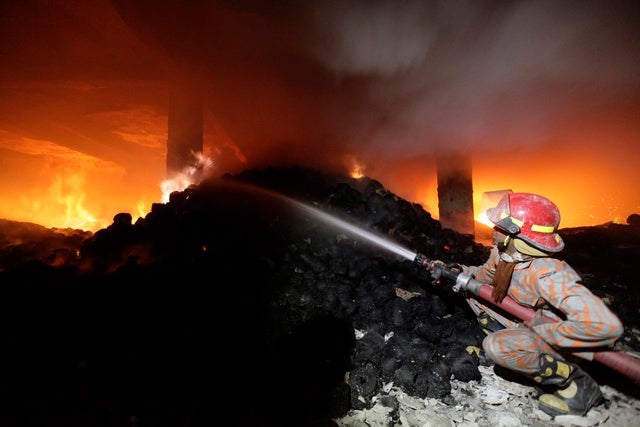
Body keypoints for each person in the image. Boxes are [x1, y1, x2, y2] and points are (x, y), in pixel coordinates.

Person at [444, 191, 624, 417]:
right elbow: (484, 276)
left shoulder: (547, 274)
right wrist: (458, 272)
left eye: (500, 227)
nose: (493, 230)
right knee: (471, 292)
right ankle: (517, 353)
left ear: (516, 236)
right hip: (524, 322)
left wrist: (545, 331)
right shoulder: (504, 254)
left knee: (496, 346)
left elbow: (605, 326)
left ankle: (577, 382)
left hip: (557, 338)